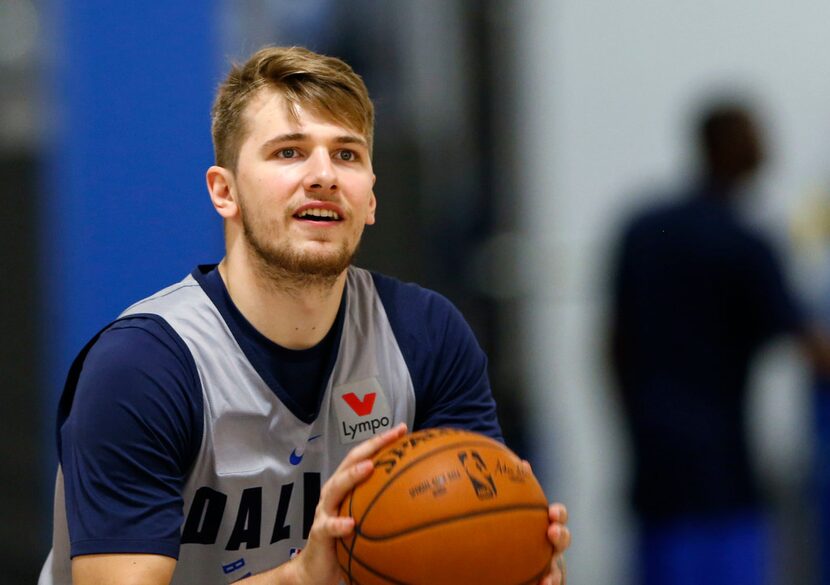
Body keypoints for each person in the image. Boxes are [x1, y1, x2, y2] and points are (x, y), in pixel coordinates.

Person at [38, 46, 570, 584]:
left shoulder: (427, 335)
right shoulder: (141, 368)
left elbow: (465, 540)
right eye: (289, 152)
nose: (323, 175)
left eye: (346, 155)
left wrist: (510, 561)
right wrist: (300, 578)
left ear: (371, 199)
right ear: (225, 192)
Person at [608, 101, 830, 585]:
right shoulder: (747, 244)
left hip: (655, 463)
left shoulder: (643, 231)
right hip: (723, 476)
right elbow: (811, 348)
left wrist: (629, 427)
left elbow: (611, 345)